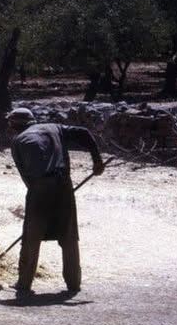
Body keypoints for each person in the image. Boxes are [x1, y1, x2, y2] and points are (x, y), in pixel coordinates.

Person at [7, 108, 105, 294]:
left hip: (39, 186)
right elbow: (84, 133)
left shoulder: (18, 141)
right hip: (63, 185)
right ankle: (74, 284)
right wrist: (97, 160)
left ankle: (24, 284)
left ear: (15, 125)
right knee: (68, 235)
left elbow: (26, 176)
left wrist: (40, 195)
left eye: (10, 124)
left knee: (31, 237)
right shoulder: (55, 127)